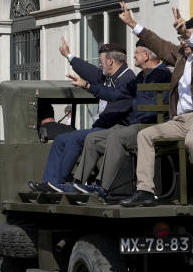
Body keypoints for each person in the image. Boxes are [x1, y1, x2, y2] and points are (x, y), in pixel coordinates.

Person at [118, 4, 193, 207]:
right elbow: (157, 43)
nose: (183, 42)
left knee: (192, 141)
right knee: (145, 135)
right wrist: (133, 24)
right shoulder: (181, 56)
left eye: (186, 38)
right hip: (181, 119)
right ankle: (145, 191)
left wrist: (187, 33)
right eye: (182, 38)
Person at [28, 38, 134, 192]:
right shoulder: (108, 76)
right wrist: (68, 56)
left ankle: (60, 183)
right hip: (103, 127)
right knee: (60, 140)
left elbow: (112, 96)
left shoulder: (127, 79)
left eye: (101, 60)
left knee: (75, 137)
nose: (99, 64)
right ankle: (49, 183)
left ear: (110, 61)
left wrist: (87, 85)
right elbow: (89, 70)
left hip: (114, 128)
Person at [71, 43, 171, 197]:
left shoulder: (163, 75)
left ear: (147, 56)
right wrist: (87, 85)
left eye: (137, 53)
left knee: (117, 137)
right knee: (93, 138)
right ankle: (77, 183)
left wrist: (135, 110)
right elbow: (115, 94)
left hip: (151, 126)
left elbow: (158, 107)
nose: (133, 56)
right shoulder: (141, 76)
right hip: (135, 124)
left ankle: (101, 187)